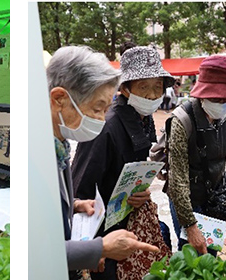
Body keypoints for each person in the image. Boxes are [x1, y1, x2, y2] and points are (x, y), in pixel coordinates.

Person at [46, 45, 159, 279]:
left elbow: (65, 196)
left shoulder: (60, 144)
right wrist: (97, 248)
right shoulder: (39, 154)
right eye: (98, 109)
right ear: (59, 98)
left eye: (106, 109)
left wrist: (75, 204)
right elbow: (38, 248)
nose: (100, 118)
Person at [71, 46, 172, 280]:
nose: (151, 95)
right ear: (126, 89)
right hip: (103, 232)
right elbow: (80, 189)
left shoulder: (143, 118)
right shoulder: (106, 127)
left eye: (157, 87)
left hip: (126, 223)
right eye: (143, 87)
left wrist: (141, 193)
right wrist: (92, 249)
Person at [163, 55, 226, 256]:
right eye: (217, 99)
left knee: (210, 254)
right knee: (191, 254)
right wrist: (190, 225)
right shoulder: (182, 121)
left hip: (212, 198)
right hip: (187, 200)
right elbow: (178, 180)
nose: (223, 104)